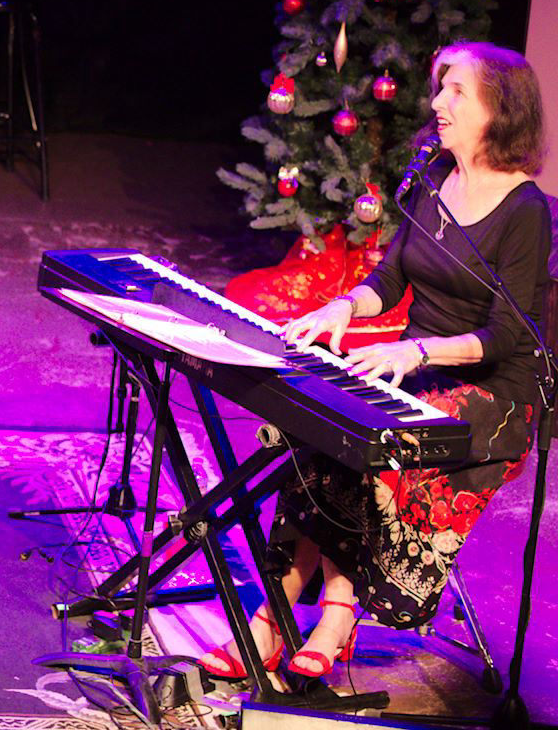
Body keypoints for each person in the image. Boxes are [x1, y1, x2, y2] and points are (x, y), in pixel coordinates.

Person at [200, 41, 549, 681]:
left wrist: (413, 350)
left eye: (456, 92)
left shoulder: (524, 211)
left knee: (366, 442)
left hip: (493, 393)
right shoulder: (432, 180)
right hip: (419, 367)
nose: (437, 103)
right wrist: (345, 308)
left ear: (499, 110)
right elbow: (389, 277)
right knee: (317, 424)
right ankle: (281, 611)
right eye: (440, 88)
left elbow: (505, 336)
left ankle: (324, 615)